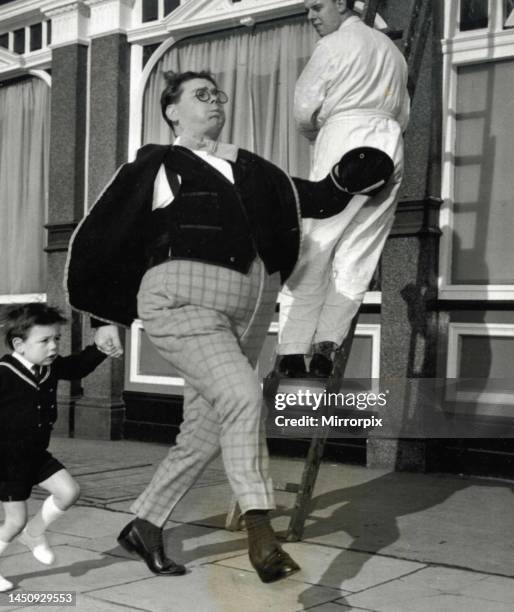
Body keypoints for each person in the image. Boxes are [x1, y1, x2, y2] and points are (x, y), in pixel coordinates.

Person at [65, 70, 394, 583]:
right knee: (243, 396)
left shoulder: (250, 166)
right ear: (172, 110)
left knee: (206, 428)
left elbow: (308, 199)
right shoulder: (159, 163)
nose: (215, 101)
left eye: (218, 94)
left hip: (250, 309)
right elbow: (110, 232)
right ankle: (261, 535)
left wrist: (348, 181)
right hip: (181, 300)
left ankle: (144, 525)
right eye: (201, 94)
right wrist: (105, 317)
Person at [278, 0, 410, 378]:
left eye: (317, 6)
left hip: (346, 137)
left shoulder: (333, 45)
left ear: (341, 3)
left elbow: (304, 108)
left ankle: (291, 349)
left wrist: (318, 132)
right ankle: (326, 347)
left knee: (316, 245)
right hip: (390, 145)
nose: (311, 16)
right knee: (359, 252)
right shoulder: (393, 53)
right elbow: (405, 114)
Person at [0, 303, 108, 592]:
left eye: (56, 339)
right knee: (14, 520)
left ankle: (34, 534)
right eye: (45, 340)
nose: (53, 346)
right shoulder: (4, 374)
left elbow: (76, 367)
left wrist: (100, 349)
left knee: (69, 491)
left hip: (35, 454)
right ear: (19, 345)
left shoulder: (48, 368)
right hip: (7, 460)